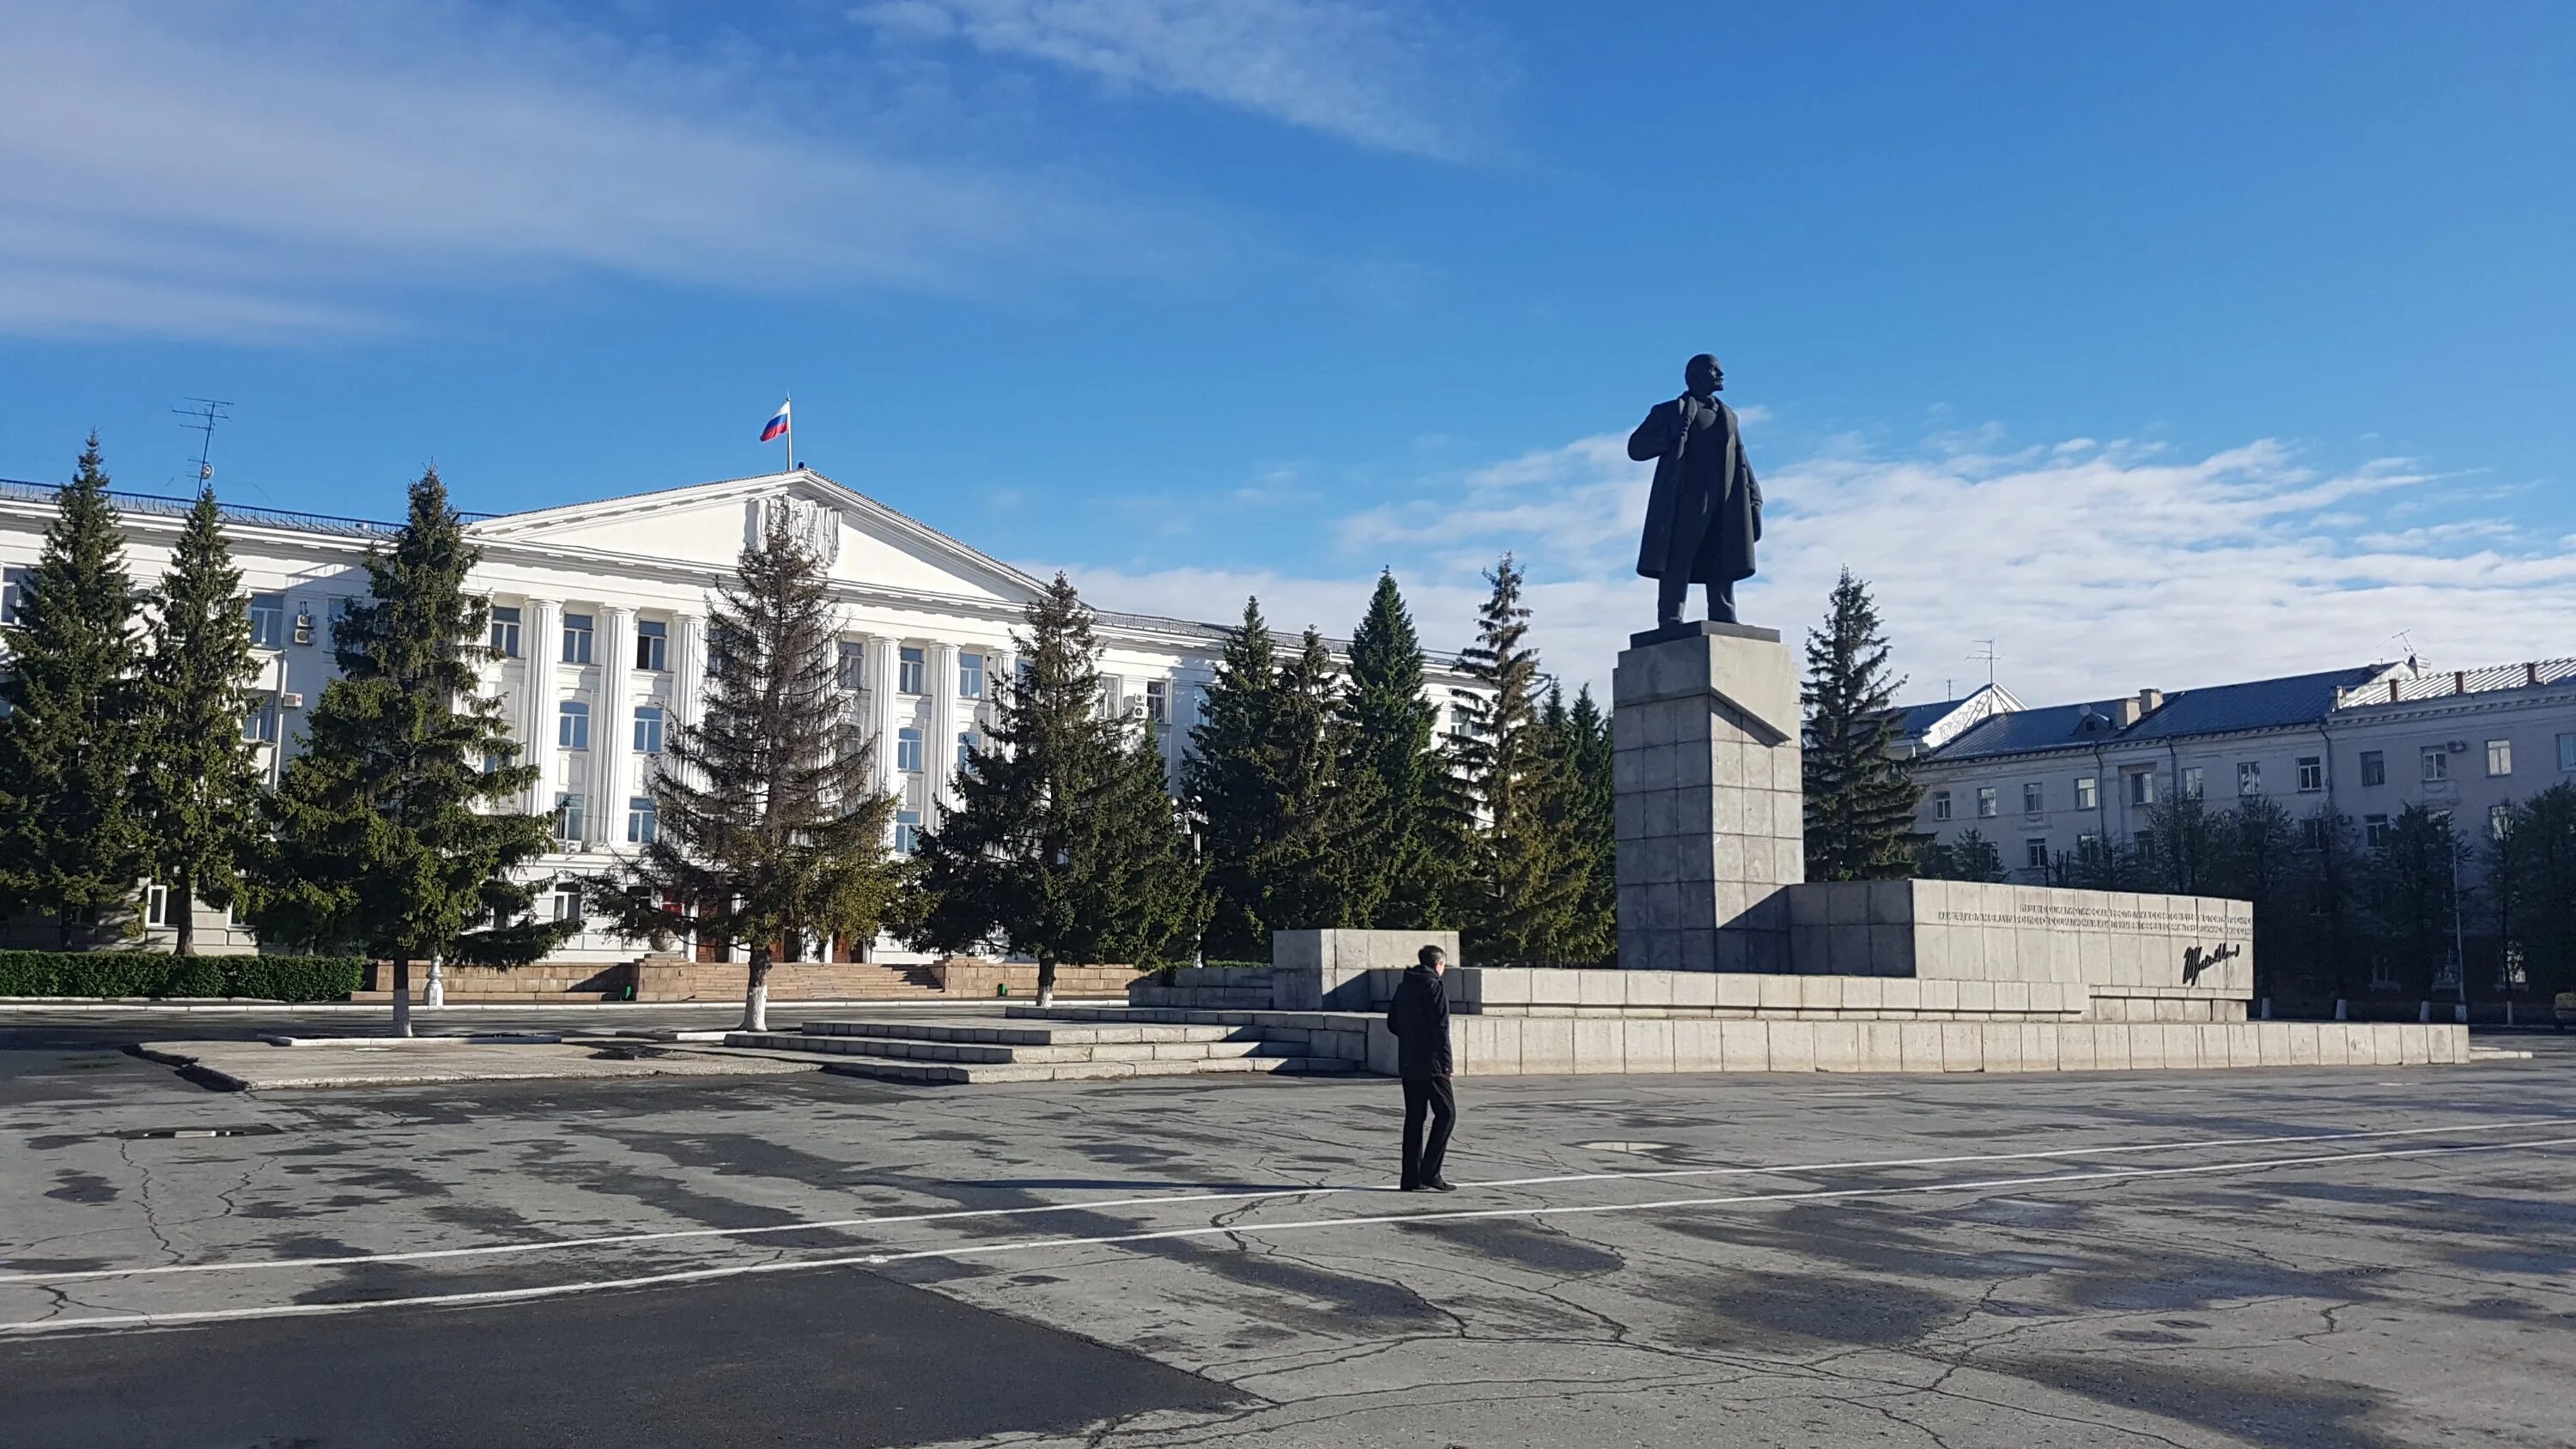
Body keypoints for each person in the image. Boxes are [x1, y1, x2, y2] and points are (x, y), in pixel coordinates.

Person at [1629, 353, 1763, 627]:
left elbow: (1741, 458)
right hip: (1685, 499)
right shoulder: (1669, 411)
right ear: (1695, 376)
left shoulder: (1728, 416)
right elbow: (1636, 448)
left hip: (1725, 498)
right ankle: (1671, 615)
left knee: (1722, 553)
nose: (1721, 375)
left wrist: (1753, 494)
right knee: (1678, 557)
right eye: (1715, 370)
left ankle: (1723, 610)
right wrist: (1671, 435)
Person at [1386, 943, 1457, 1191]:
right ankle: (1430, 1172)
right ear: (1439, 964)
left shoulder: (1405, 986)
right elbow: (1441, 1028)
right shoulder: (1433, 986)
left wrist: (1410, 1039)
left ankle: (1411, 1178)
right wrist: (1446, 1063)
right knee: (1447, 1114)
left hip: (1408, 1061)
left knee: (1415, 1118)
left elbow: (1392, 1023)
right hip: (1432, 1063)